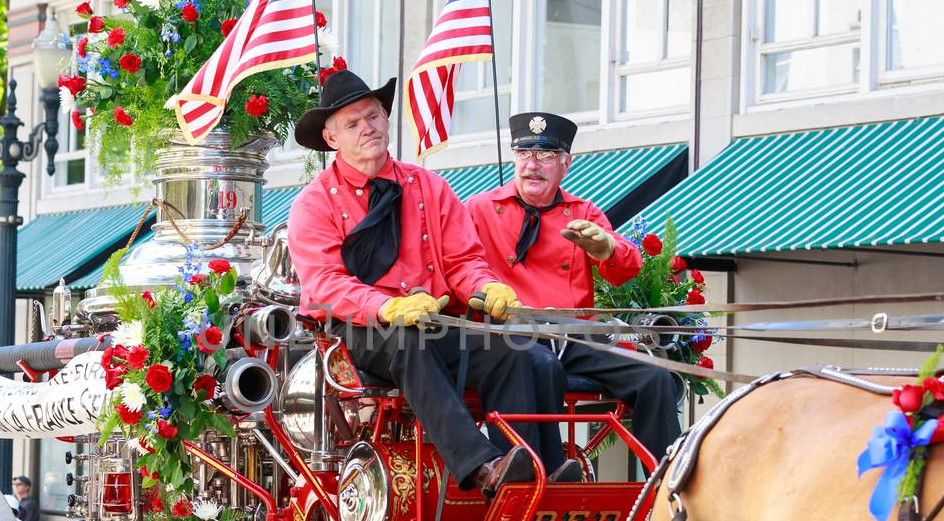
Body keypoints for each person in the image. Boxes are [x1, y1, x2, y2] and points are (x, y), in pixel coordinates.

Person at [285, 70, 576, 495]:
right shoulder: (312, 204)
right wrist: (385, 307)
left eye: (374, 116)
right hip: (362, 330)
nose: (368, 127)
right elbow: (325, 283)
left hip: (436, 321)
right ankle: (484, 467)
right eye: (353, 123)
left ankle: (535, 474)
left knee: (517, 351)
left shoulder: (430, 186)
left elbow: (463, 261)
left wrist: (484, 287)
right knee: (408, 343)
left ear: (386, 120)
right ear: (332, 140)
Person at [466, 112, 685, 462]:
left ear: (565, 164)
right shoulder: (481, 208)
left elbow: (627, 267)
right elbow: (458, 264)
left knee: (655, 377)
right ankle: (547, 472)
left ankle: (665, 490)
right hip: (512, 338)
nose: (532, 165)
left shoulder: (581, 210)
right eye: (524, 154)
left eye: (546, 155)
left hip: (575, 338)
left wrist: (607, 249)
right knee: (541, 366)